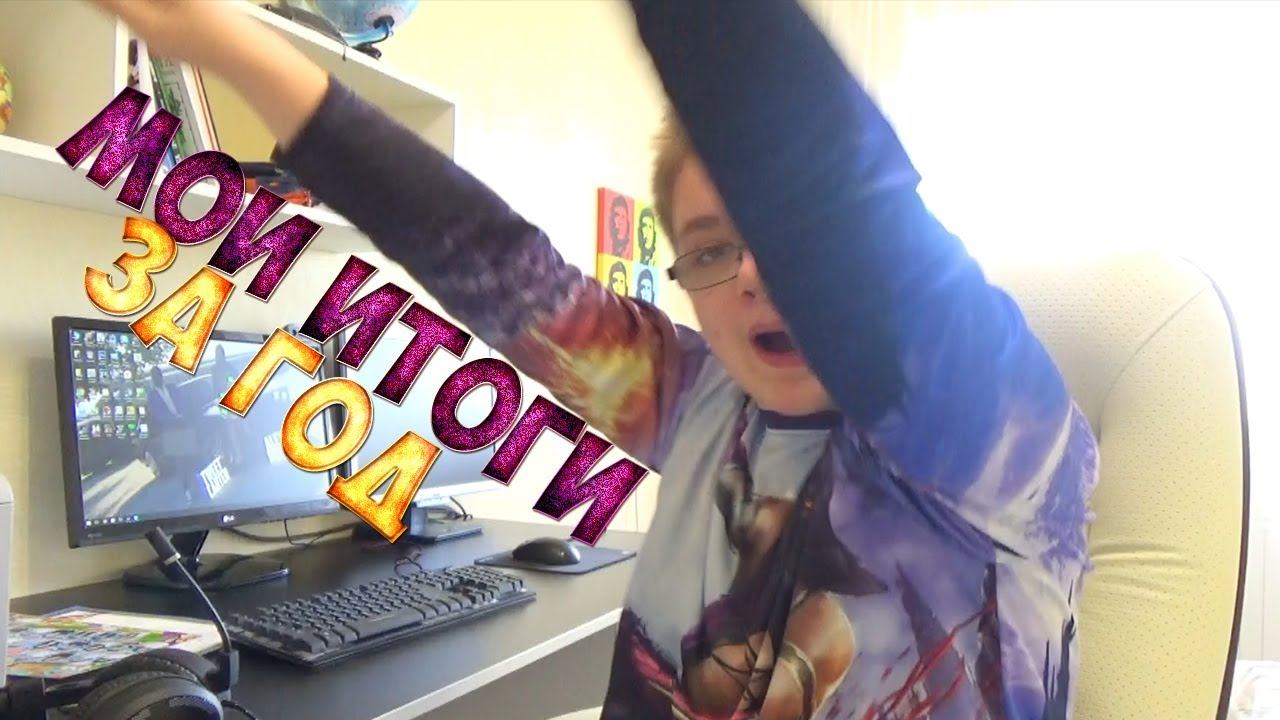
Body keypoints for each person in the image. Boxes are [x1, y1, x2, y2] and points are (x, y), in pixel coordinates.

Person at [91, 1, 1098, 717]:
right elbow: (498, 266)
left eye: (786, 237)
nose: (755, 273)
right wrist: (228, 45)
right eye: (711, 248)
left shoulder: (984, 427)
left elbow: (820, 161)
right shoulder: (692, 398)